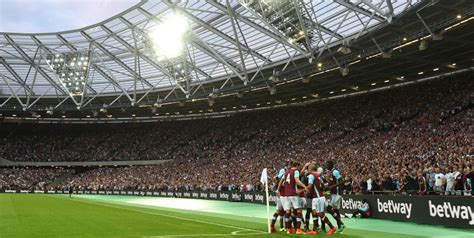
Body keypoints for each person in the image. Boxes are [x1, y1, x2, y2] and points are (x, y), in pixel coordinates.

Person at [306, 164, 337, 235]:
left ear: (310, 169)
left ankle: (332, 227)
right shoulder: (318, 176)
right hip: (318, 197)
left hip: (318, 198)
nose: (307, 170)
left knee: (320, 213)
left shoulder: (311, 176)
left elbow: (310, 186)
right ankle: (315, 230)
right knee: (314, 213)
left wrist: (305, 188)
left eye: (308, 169)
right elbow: (324, 185)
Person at [281, 161, 307, 235]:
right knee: (299, 210)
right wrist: (304, 186)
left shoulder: (286, 172)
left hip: (286, 194)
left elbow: (282, 182)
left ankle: (289, 229)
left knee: (288, 211)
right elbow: (297, 180)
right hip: (293, 193)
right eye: (299, 166)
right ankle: (298, 229)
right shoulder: (296, 171)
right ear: (297, 165)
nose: (299, 168)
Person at [270, 168, 286, 233]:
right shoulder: (283, 179)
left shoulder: (276, 179)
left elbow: (273, 188)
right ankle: (286, 227)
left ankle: (280, 227)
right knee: (285, 212)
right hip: (283, 197)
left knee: (280, 212)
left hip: (278, 197)